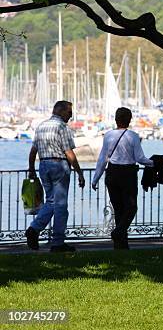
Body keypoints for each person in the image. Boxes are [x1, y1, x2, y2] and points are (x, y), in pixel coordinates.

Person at [25, 100, 85, 252]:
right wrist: (79, 172)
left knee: (51, 201)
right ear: (61, 111)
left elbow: (33, 152)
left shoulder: (41, 126)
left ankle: (34, 229)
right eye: (69, 113)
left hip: (43, 166)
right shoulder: (62, 127)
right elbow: (69, 152)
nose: (70, 116)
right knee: (60, 206)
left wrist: (31, 169)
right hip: (59, 165)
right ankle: (58, 242)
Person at [91, 107, 154, 250]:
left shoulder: (108, 135)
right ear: (130, 120)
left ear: (115, 119)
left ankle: (120, 245)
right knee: (131, 207)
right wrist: (153, 163)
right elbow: (140, 158)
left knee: (118, 209)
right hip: (128, 174)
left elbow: (102, 159)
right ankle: (118, 233)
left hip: (112, 174)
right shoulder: (133, 136)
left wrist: (95, 179)